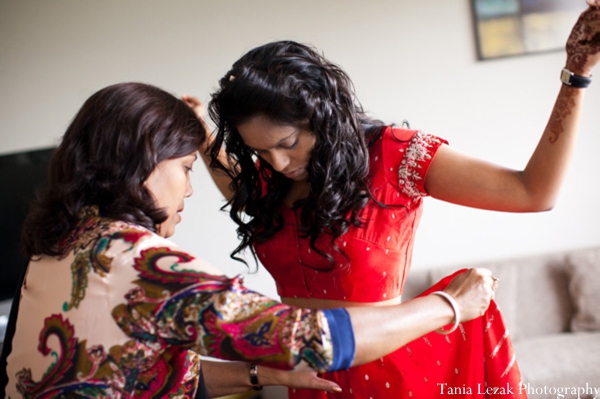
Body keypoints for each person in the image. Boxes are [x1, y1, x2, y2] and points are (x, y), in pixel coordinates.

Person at [186, 2, 600, 398]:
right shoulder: (273, 182)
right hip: (307, 377)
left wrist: (575, 76)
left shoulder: (396, 156)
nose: (276, 163)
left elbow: (534, 192)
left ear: (322, 113)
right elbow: (239, 190)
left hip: (393, 374)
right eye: (261, 153)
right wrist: (203, 134)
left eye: (288, 143)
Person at [0, 82, 496, 399]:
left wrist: (260, 376)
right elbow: (314, 339)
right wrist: (447, 305)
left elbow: (144, 374)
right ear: (144, 165)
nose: (191, 188)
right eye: (186, 168)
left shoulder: (56, 250)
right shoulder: (143, 265)